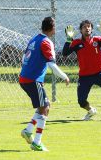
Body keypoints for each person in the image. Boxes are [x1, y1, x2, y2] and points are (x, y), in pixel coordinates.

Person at [19, 17, 69, 151]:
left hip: (25, 78)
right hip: (32, 79)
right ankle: (36, 142)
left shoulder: (34, 39)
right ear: (52, 28)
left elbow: (25, 58)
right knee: (45, 107)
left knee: (45, 106)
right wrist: (64, 76)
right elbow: (51, 64)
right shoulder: (46, 42)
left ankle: (28, 130)